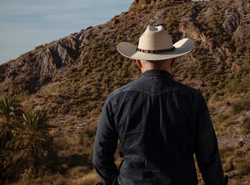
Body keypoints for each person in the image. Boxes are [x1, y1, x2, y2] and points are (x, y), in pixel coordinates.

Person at [92, 26, 227, 185]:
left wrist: (117, 182)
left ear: (138, 62)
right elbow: (208, 157)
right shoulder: (193, 99)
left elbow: (100, 157)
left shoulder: (115, 99)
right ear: (173, 60)